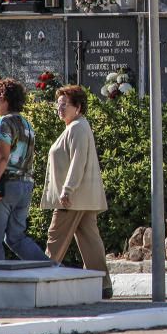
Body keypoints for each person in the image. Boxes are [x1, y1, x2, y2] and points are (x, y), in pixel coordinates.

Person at [42, 85, 113, 299]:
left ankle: (42, 282)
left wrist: (67, 190)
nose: (59, 108)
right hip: (83, 198)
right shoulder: (76, 126)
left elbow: (78, 161)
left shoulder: (77, 128)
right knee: (90, 241)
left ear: (78, 107)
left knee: (55, 239)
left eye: (65, 105)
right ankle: (102, 284)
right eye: (58, 104)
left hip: (72, 198)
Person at [0, 78, 48, 261]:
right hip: (24, 186)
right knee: (16, 238)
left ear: (3, 98)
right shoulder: (26, 124)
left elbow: (3, 157)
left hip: (4, 184)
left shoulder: (3, 122)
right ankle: (48, 270)